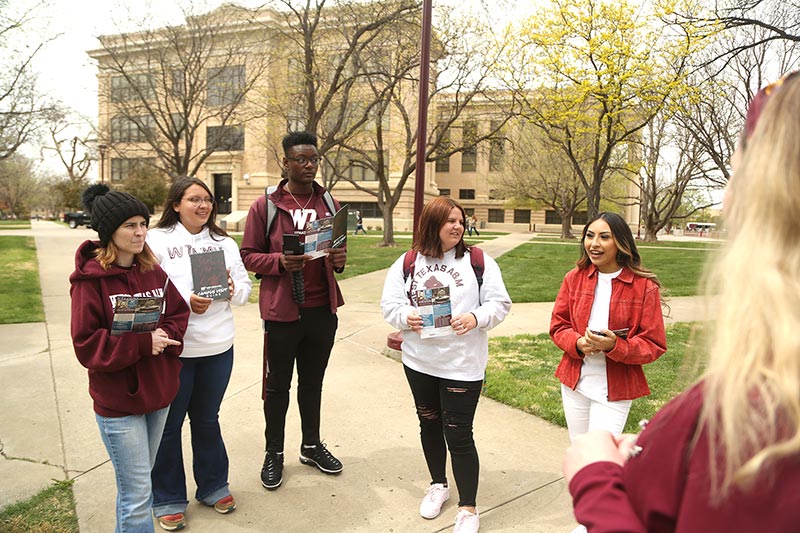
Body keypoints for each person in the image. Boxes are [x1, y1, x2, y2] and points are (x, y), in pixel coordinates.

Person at [562, 71, 800, 532]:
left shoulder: (751, 421)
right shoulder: (575, 278)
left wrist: (595, 483)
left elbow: (653, 346)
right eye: (588, 236)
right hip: (576, 378)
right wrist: (576, 343)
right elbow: (558, 325)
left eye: (735, 175)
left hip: (616, 385)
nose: (726, 201)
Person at [381, 196, 512, 533]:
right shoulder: (409, 261)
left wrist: (475, 317)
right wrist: (406, 316)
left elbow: (500, 303)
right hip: (419, 361)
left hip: (462, 365)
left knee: (459, 434)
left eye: (460, 219)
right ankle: (438, 484)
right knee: (428, 424)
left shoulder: (479, 262)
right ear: (432, 224)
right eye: (449, 220)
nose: (457, 226)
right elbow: (390, 305)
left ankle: (468, 507)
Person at [69, 184, 190, 533]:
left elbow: (178, 313)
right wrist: (141, 344)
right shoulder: (89, 282)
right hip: (120, 403)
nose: (140, 232)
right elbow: (86, 344)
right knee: (136, 494)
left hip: (159, 393)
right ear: (110, 232)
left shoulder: (152, 270)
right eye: (130, 226)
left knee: (142, 484)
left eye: (142, 223)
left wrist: (165, 337)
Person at [241, 131, 347, 492]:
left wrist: (340, 259)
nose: (309, 165)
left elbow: (338, 249)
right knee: (277, 387)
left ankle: (311, 445)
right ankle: (274, 453)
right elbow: (247, 255)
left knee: (313, 384)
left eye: (314, 159)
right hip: (282, 312)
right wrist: (279, 262)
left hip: (322, 310)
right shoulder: (266, 205)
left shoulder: (328, 202)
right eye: (301, 159)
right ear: (285, 163)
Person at [147, 177, 252, 531]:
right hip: (175, 349)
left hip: (217, 346)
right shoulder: (156, 240)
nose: (203, 206)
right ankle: (167, 497)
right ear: (176, 203)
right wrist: (184, 302)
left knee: (207, 419)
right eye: (194, 199)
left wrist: (234, 288)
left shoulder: (224, 242)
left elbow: (245, 291)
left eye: (207, 200)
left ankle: (212, 486)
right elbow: (147, 289)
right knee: (168, 426)